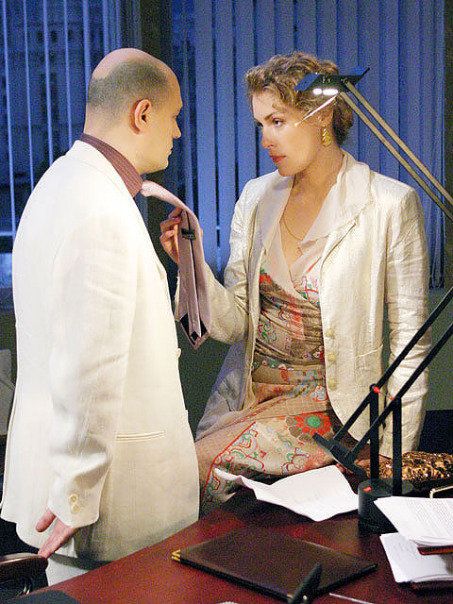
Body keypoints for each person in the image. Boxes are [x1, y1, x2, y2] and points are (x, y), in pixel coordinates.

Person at [160, 51, 430, 512]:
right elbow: (236, 323)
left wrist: (391, 460)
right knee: (179, 482)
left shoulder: (388, 206)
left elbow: (412, 345)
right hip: (248, 401)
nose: (265, 139)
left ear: (322, 115)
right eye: (260, 124)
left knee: (187, 474)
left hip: (331, 414)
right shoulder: (256, 198)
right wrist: (192, 267)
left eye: (277, 121)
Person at [0, 48, 199, 583]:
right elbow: (89, 365)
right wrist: (76, 491)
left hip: (77, 493)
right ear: (142, 113)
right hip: (107, 506)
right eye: (173, 116)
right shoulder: (99, 208)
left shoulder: (59, 182)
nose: (177, 133)